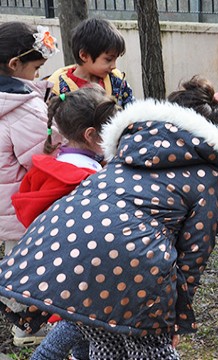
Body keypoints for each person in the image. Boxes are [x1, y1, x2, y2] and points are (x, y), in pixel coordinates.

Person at [0, 76, 218, 359]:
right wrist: (173, 319)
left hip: (63, 245)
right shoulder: (214, 176)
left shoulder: (134, 147)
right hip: (131, 261)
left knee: (104, 341)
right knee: (152, 348)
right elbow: (194, 253)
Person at [11, 85, 119, 360]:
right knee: (80, 321)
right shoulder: (90, 179)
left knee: (83, 330)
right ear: (92, 135)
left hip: (57, 266)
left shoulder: (52, 166)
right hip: (87, 271)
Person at [0, 21, 61, 346]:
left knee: (14, 259)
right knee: (29, 267)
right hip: (23, 205)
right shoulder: (22, 109)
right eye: (36, 68)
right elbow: (42, 157)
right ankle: (29, 329)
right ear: (15, 65)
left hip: (5, 203)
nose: (38, 75)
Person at [48, 17, 134, 109]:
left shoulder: (117, 81)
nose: (114, 66)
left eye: (115, 59)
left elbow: (132, 112)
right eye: (108, 59)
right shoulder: (58, 89)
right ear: (84, 55)